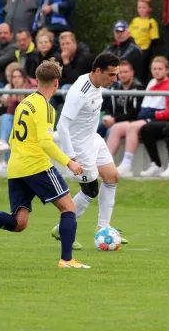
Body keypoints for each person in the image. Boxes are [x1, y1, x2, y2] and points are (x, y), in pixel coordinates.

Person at [0, 60, 88, 268]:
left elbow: (13, 137)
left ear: (36, 80)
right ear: (56, 83)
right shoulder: (46, 108)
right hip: (36, 166)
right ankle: (67, 260)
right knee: (69, 209)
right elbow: (45, 142)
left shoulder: (25, 102)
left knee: (19, 223)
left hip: (16, 167)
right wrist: (69, 162)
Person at [52, 52, 127, 250]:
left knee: (112, 176)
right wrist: (70, 156)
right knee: (90, 190)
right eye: (111, 75)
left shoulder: (97, 83)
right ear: (98, 71)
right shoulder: (80, 92)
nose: (115, 79)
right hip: (78, 146)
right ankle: (62, 229)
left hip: (92, 139)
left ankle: (104, 228)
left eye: (116, 74)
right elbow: (62, 126)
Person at [112, 56, 169, 177]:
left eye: (160, 68)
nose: (156, 71)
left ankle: (127, 165)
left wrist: (155, 114)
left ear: (166, 70)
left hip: (158, 118)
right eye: (154, 69)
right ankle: (105, 164)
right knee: (116, 128)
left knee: (133, 127)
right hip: (145, 117)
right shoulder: (152, 82)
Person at [129, 0, 159, 76]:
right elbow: (129, 34)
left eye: (144, 7)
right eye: (139, 8)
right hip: (133, 50)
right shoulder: (134, 21)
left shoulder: (151, 22)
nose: (141, 10)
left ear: (150, 9)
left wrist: (148, 52)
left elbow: (154, 39)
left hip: (144, 51)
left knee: (142, 72)